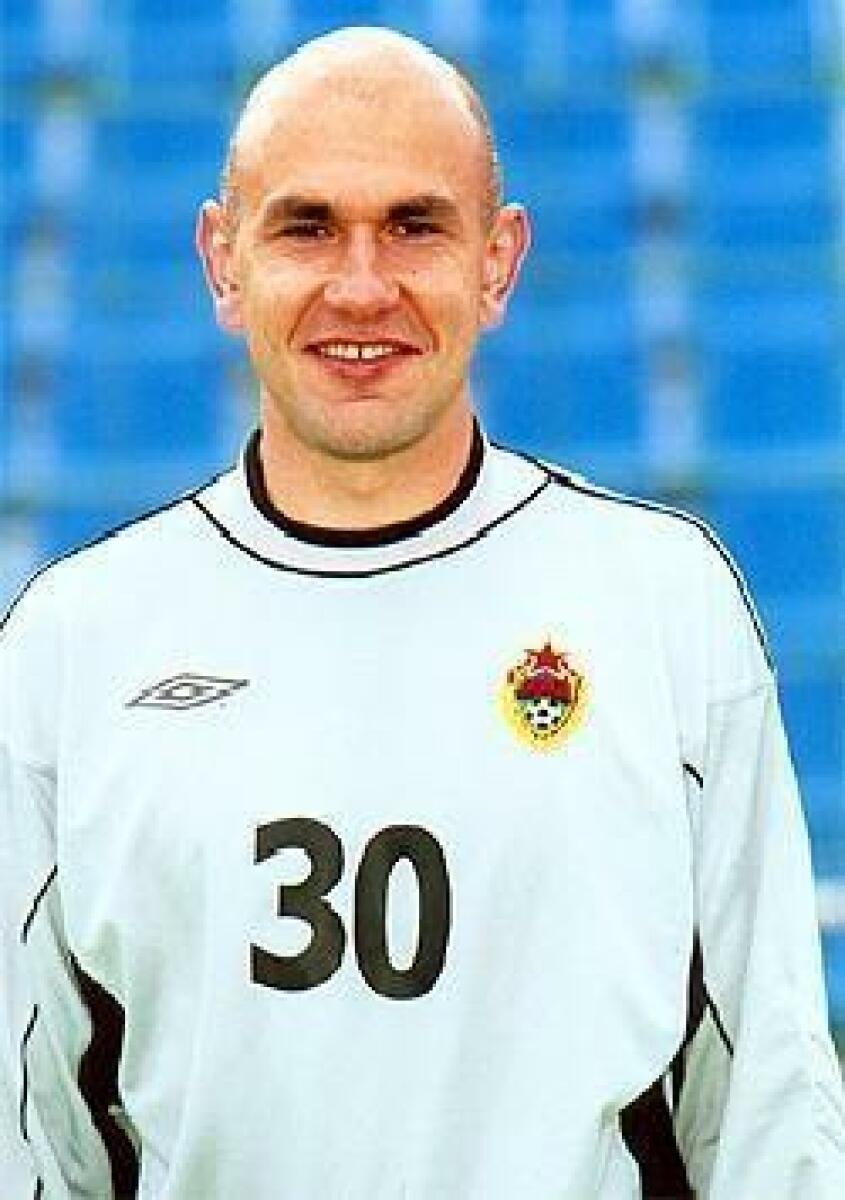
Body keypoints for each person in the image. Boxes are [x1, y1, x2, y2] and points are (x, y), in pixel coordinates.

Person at [1, 24, 843, 1200]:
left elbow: (769, 1104)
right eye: (305, 227)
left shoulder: (661, 602)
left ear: (497, 263)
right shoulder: (74, 641)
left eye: (414, 226)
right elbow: (28, 1134)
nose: (361, 286)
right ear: (222, 262)